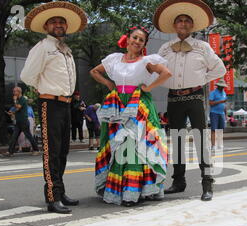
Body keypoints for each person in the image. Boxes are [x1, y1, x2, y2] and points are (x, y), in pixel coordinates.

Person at [89, 26, 172, 207]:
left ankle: (133, 191)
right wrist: (109, 84)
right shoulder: (114, 59)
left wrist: (149, 88)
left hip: (138, 104)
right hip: (117, 105)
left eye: (141, 40)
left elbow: (166, 73)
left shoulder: (146, 61)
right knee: (118, 146)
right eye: (134, 38)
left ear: (144, 44)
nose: (137, 41)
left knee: (136, 146)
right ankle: (120, 188)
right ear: (127, 39)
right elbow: (94, 71)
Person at [154, 0, 226, 201]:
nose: (183, 24)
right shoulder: (165, 48)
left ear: (192, 26)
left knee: (201, 139)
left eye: (187, 21)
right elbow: (156, 69)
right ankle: (178, 181)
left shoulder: (202, 47)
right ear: (174, 26)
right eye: (179, 21)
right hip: (173, 98)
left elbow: (220, 70)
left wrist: (201, 80)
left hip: (194, 97)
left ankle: (207, 183)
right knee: (176, 139)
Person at [21, 1, 88, 214]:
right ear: (46, 27)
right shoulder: (42, 48)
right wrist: (44, 89)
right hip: (49, 103)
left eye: (62, 22)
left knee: (62, 151)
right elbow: (27, 76)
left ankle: (60, 191)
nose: (58, 25)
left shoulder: (65, 49)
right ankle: (52, 197)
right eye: (54, 22)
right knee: (51, 151)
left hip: (66, 104)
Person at [3, 87, 40, 157]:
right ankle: (10, 152)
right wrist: (12, 112)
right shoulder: (19, 99)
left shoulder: (22, 99)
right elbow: (17, 109)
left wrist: (14, 100)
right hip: (18, 122)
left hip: (24, 121)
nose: (13, 93)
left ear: (19, 92)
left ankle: (36, 150)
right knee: (14, 137)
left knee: (29, 136)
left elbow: (18, 107)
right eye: (13, 91)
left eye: (14, 91)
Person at [209, 79, 228, 151]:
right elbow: (210, 103)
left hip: (222, 113)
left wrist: (226, 114)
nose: (223, 88)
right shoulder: (213, 93)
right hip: (214, 113)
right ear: (218, 86)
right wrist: (221, 101)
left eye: (223, 86)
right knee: (214, 129)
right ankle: (213, 145)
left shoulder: (224, 93)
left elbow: (224, 104)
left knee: (220, 130)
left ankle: (219, 144)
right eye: (221, 86)